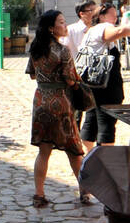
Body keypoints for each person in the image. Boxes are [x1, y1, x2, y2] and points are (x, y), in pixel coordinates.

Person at [26, 11, 92, 209]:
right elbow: (71, 79)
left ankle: (39, 194)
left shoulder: (35, 49)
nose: (65, 26)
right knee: (74, 150)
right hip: (60, 103)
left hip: (40, 102)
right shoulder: (63, 51)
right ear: (51, 28)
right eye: (61, 23)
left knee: (44, 151)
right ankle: (84, 192)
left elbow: (31, 75)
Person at [78, 3, 130, 151]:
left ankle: (90, 155)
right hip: (106, 85)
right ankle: (104, 157)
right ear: (102, 16)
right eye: (112, 14)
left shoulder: (91, 31)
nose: (115, 16)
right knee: (106, 120)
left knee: (91, 119)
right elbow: (122, 31)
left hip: (91, 82)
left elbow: (122, 30)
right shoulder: (104, 28)